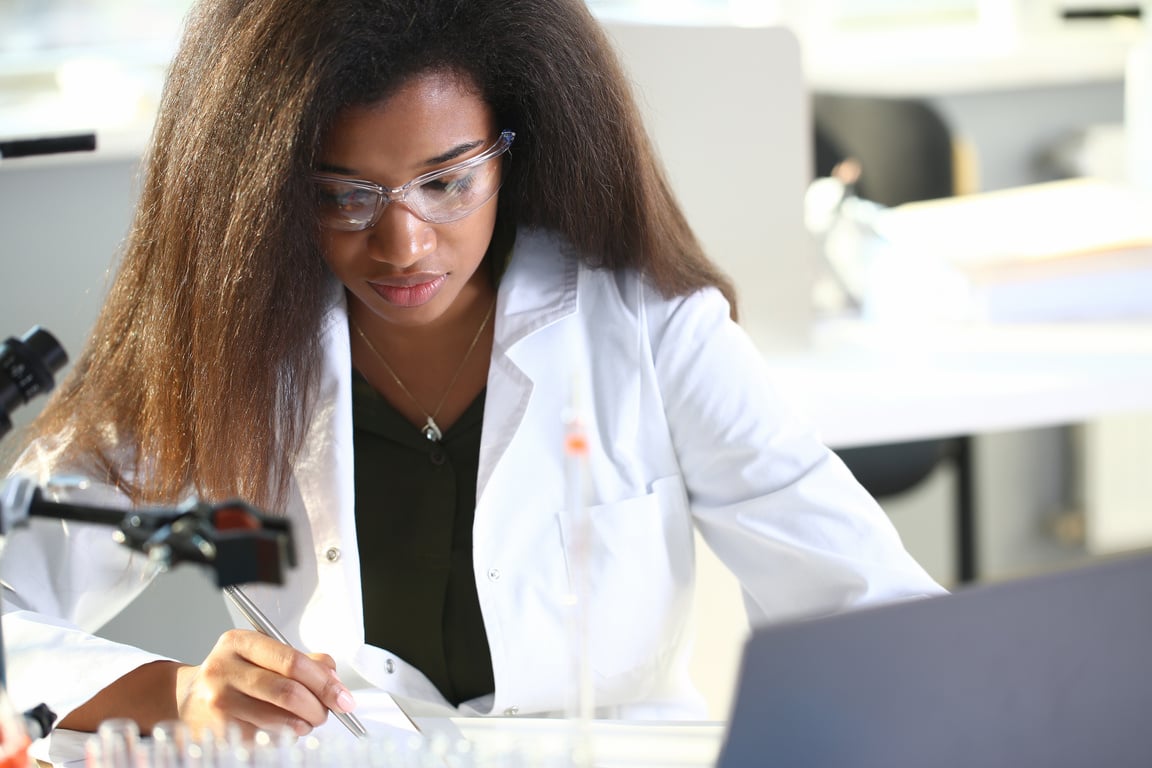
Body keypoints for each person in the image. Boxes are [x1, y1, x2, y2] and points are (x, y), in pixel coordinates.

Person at [1, 0, 944, 741]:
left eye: (448, 182)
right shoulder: (225, 347)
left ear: (514, 149)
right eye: (344, 197)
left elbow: (878, 615)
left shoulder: (654, 332)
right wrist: (173, 693)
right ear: (267, 193)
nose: (404, 244)